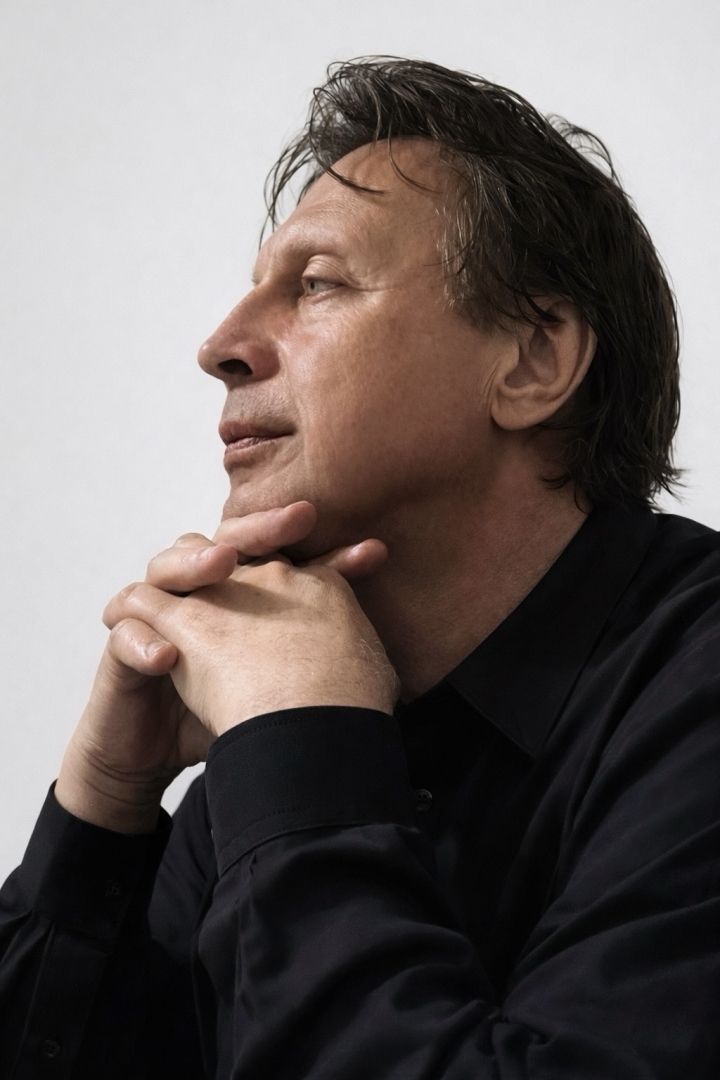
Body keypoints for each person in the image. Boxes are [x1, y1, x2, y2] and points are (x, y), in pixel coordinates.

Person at [1, 55, 719, 1079]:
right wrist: (102, 811)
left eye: (318, 284)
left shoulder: (692, 693)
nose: (220, 346)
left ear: (533, 359)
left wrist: (304, 749)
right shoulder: (273, 731)